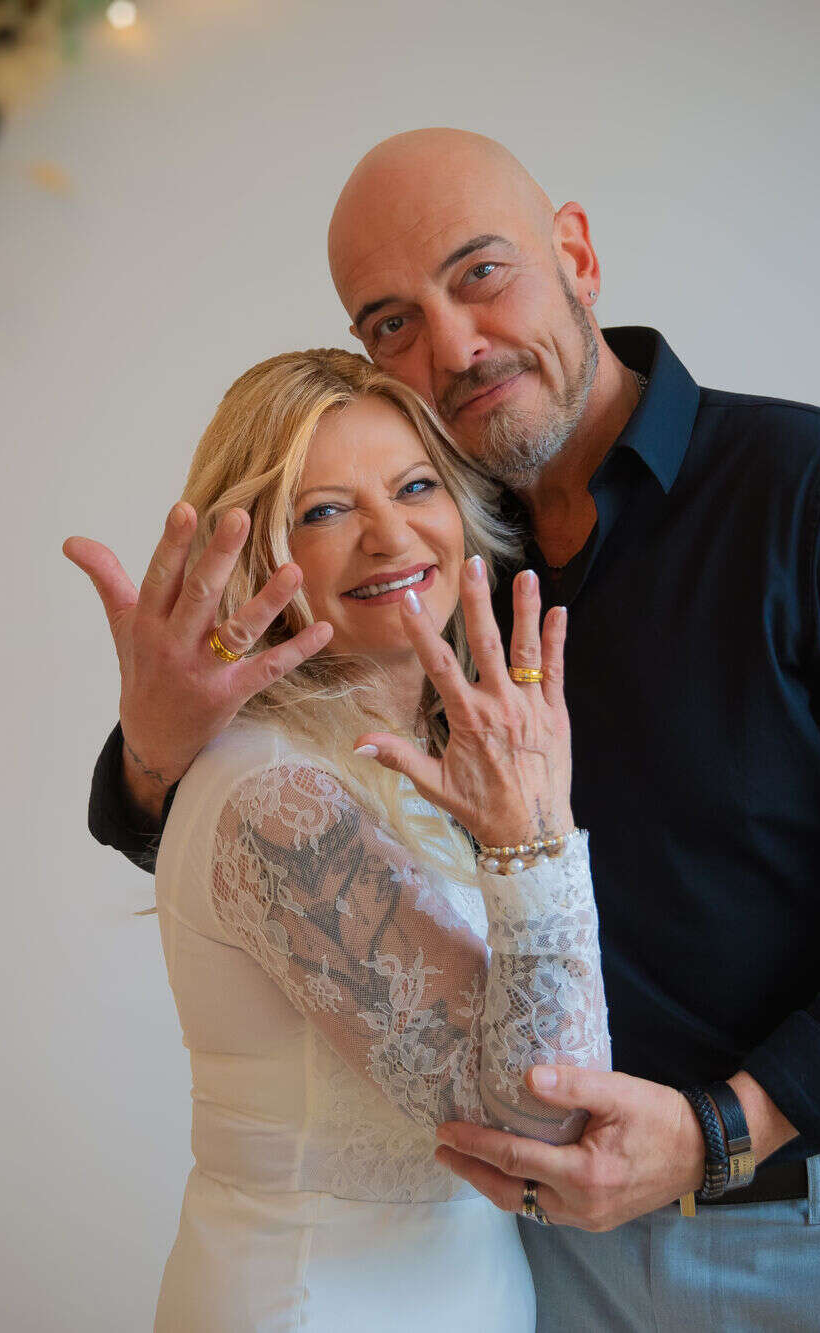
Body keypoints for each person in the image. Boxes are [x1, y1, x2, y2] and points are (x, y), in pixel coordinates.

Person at [66, 129, 820, 1329]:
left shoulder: (810, 491)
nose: (453, 345)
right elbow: (287, 835)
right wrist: (153, 753)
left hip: (819, 1236)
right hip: (542, 1261)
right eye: (392, 321)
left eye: (480, 273)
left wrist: (720, 1129)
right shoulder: (435, 549)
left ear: (576, 256)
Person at [115, 347, 614, 1331]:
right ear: (259, 557)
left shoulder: (434, 746)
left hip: (469, 1290)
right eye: (326, 511)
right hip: (318, 1300)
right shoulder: (274, 795)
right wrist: (536, 835)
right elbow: (541, 1119)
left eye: (415, 486)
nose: (389, 536)